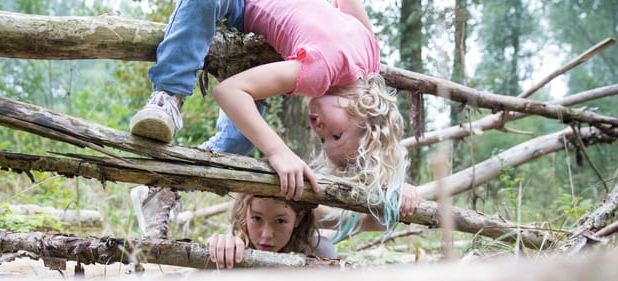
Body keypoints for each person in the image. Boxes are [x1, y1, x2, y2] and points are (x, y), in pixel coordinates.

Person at [130, 0, 420, 230]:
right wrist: (278, 151)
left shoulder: (370, 53)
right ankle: (168, 94)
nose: (318, 130)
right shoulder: (322, 72)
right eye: (335, 135)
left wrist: (396, 189)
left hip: (249, 23)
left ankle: (165, 188)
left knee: (239, 140)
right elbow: (228, 92)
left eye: (322, 141)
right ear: (366, 114)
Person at [207, 194, 336, 268]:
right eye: (257, 218)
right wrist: (214, 254)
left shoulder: (319, 253)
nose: (266, 235)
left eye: (280, 221)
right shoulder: (234, 246)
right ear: (244, 214)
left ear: (298, 218)